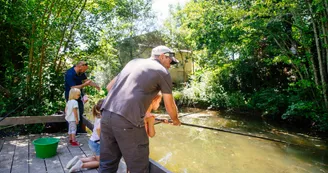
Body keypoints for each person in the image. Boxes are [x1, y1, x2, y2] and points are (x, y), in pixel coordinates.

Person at [100, 45, 181, 173]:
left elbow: (109, 87)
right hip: (127, 122)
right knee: (139, 168)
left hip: (106, 115)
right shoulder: (162, 71)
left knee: (107, 165)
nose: (169, 66)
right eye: (170, 61)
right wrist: (175, 120)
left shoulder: (133, 62)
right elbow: (169, 104)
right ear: (162, 56)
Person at [66, 99, 104, 172]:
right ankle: (81, 165)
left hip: (92, 141)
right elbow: (98, 128)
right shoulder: (101, 119)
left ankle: (78, 159)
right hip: (97, 143)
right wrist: (102, 140)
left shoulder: (98, 116)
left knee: (96, 158)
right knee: (101, 162)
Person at [64, 61, 100, 133]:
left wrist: (96, 85)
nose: (85, 71)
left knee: (80, 111)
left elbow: (87, 81)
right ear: (80, 66)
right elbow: (73, 87)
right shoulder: (69, 73)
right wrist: (84, 85)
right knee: (72, 113)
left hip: (79, 95)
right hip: (71, 96)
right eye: (84, 69)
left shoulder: (81, 73)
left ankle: (80, 129)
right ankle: (72, 131)